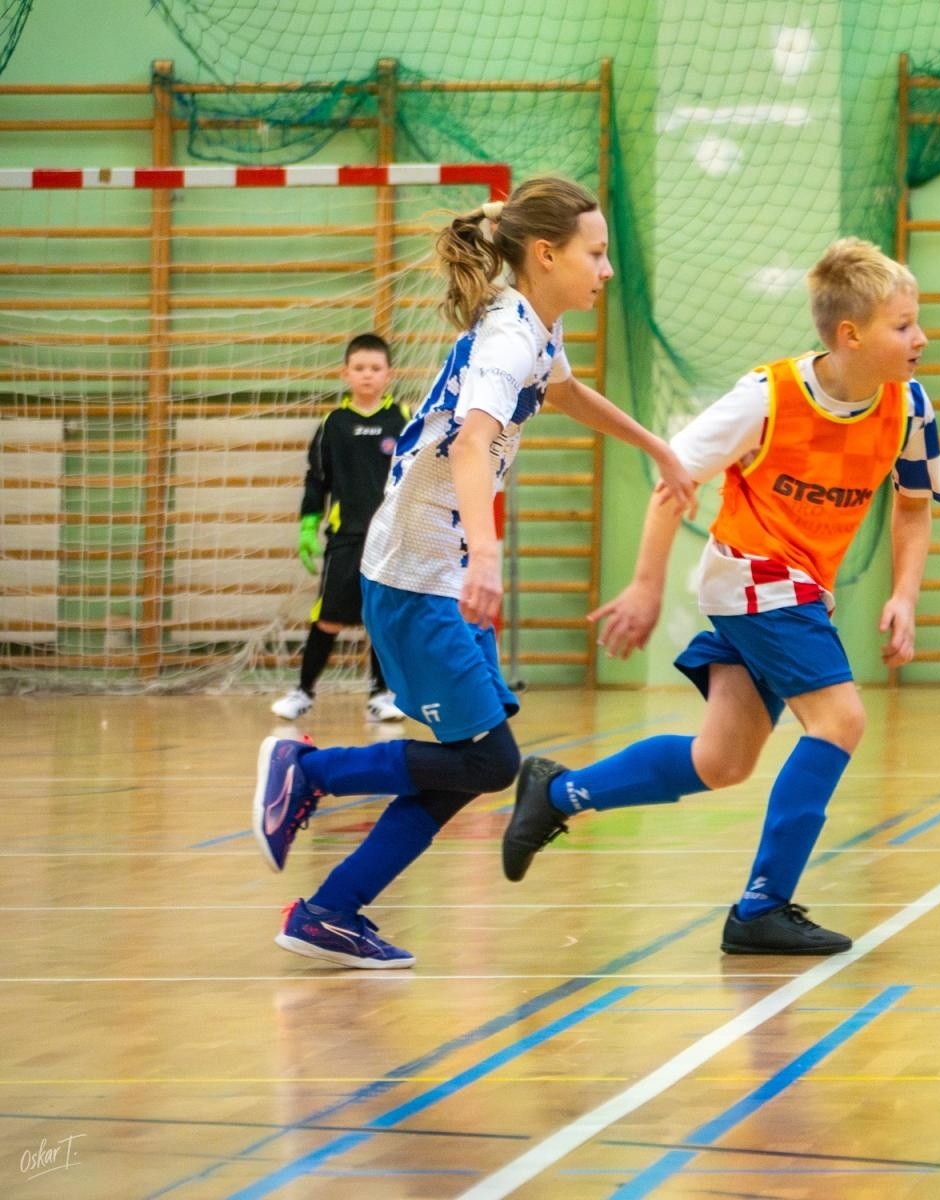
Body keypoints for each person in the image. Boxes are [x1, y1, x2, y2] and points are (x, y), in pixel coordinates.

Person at [249, 174, 696, 969]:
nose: (606, 269)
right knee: (490, 762)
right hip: (421, 577)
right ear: (546, 253)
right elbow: (468, 441)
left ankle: (331, 910)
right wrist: (485, 557)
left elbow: (566, 394)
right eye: (596, 254)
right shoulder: (507, 337)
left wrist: (657, 446)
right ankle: (307, 770)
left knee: (464, 768)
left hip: (436, 573)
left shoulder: (532, 323)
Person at [502, 237, 940, 956]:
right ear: (850, 335)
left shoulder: (909, 408)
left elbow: (915, 506)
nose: (920, 337)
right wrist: (645, 585)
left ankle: (557, 794)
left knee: (724, 760)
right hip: (755, 572)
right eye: (904, 325)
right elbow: (672, 474)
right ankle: (761, 909)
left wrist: (905, 595)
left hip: (795, 587)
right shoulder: (768, 396)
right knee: (841, 720)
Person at [271, 333, 408, 724]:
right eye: (360, 368)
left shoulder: (402, 418)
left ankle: (381, 695)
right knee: (328, 617)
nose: (367, 375)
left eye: (375, 368)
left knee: (382, 618)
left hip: (390, 539)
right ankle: (303, 692)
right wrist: (308, 527)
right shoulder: (333, 423)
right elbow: (317, 481)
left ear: (388, 374)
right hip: (345, 538)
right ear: (345, 373)